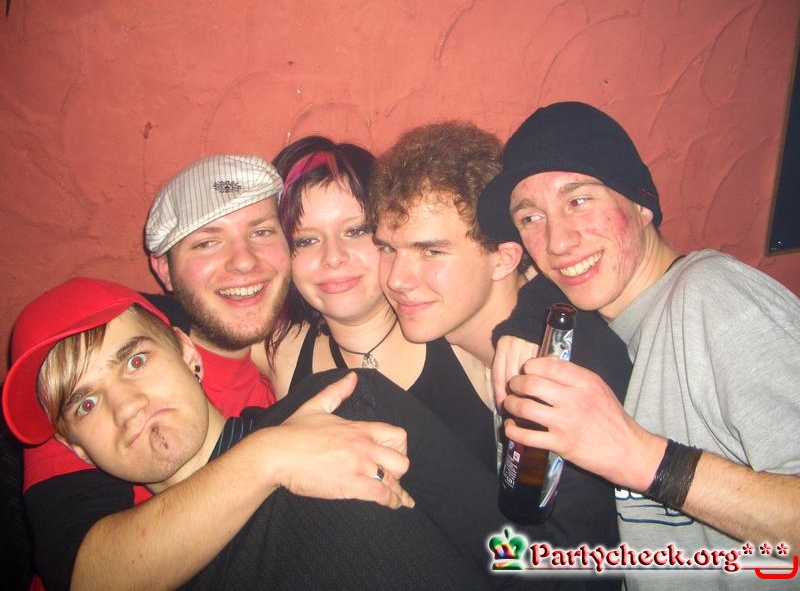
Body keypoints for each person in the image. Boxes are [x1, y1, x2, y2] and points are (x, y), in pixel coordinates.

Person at [17, 155, 412, 591]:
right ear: (164, 269)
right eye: (207, 242)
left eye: (261, 232)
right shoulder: (95, 371)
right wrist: (269, 456)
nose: (243, 262)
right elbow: (89, 578)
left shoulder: (294, 360)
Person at [3, 278, 528, 590]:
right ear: (74, 447)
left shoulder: (345, 400)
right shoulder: (142, 568)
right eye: (86, 403)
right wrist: (268, 457)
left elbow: (518, 552)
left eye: (136, 361)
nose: (127, 406)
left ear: (188, 354)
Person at [477, 101, 800, 590]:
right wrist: (526, 316)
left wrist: (641, 457)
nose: (557, 242)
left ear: (641, 204)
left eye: (579, 201)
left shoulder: (714, 297)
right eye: (531, 218)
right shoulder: (608, 323)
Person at [367, 121, 632, 587]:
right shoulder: (445, 336)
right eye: (388, 249)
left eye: (431, 252)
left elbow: (578, 570)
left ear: (505, 258)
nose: (396, 279)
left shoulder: (572, 369)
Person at [259, 135, 493, 468]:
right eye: (306, 240)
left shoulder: (458, 330)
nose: (333, 257)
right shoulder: (285, 351)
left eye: (356, 231)